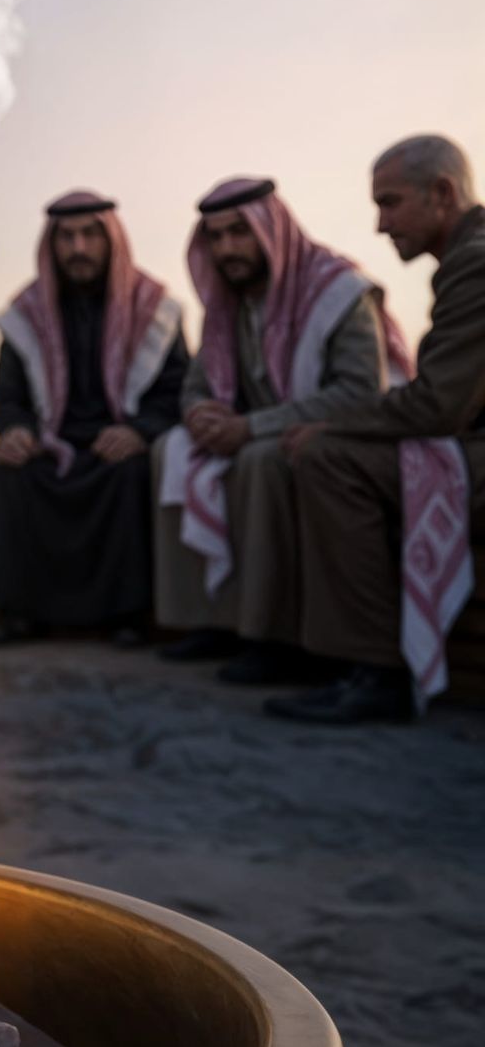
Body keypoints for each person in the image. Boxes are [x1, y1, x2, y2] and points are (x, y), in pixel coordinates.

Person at [267, 136, 485, 725]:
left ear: (442, 194)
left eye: (390, 203)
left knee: (330, 460)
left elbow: (438, 405)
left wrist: (326, 424)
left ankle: (375, 671)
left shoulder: (476, 262)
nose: (380, 224)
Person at [154, 178, 389, 683]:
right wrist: (199, 415)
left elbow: (361, 392)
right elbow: (197, 386)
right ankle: (211, 619)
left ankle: (275, 637)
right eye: (215, 238)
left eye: (239, 232)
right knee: (171, 449)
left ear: (272, 228)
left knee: (263, 460)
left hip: (333, 436)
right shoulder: (227, 305)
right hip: (253, 432)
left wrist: (251, 427)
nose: (227, 249)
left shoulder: (339, 291)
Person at [0, 190, 187, 643]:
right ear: (51, 245)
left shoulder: (154, 308)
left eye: (90, 235)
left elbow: (175, 391)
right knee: (7, 470)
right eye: (67, 237)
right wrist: (16, 431)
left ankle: (128, 617)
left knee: (131, 470)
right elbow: (7, 396)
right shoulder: (25, 313)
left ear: (111, 239)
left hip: (117, 442)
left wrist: (139, 431)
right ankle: (20, 613)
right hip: (49, 441)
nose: (78, 248)